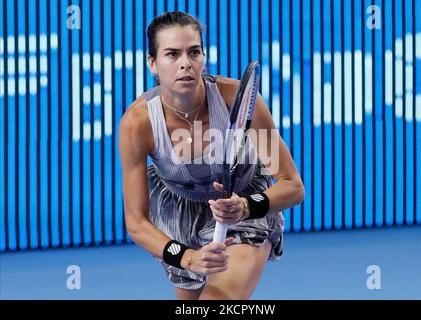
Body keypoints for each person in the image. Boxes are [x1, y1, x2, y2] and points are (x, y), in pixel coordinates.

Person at [118, 11, 305, 300]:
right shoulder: (137, 123)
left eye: (194, 52)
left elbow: (292, 185)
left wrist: (244, 207)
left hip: (244, 206)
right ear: (152, 64)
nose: (185, 63)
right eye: (172, 54)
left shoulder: (238, 99)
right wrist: (189, 258)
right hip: (178, 216)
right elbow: (136, 222)